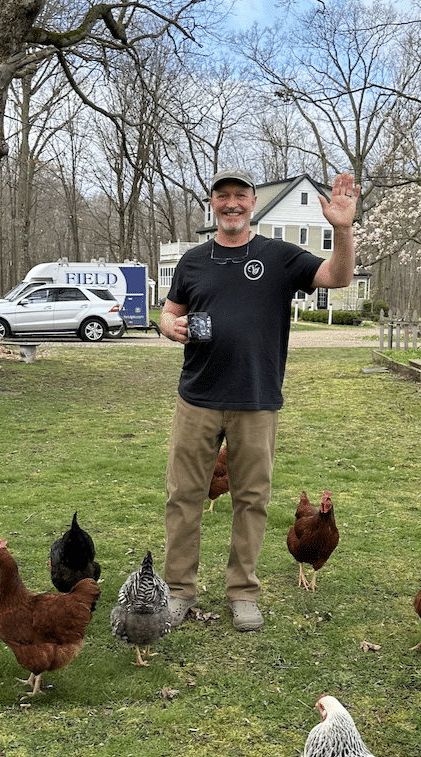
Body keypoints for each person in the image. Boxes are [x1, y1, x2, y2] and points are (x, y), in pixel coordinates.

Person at [160, 167, 359, 631]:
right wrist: (168, 327)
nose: (232, 203)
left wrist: (343, 229)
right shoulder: (192, 261)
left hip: (257, 400)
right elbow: (169, 315)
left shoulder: (280, 257)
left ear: (253, 203)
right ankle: (178, 591)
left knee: (251, 500)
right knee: (183, 496)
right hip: (197, 399)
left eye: (240, 196)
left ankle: (243, 592)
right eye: (222, 195)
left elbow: (339, 276)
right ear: (212, 203)